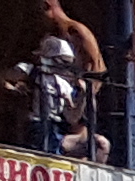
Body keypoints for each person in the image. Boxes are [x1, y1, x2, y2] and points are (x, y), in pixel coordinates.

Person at [18, 2, 104, 164]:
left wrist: (84, 95)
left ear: (46, 7)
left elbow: (96, 65)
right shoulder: (54, 36)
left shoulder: (75, 31)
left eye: (39, 14)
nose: (39, 20)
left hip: (78, 99)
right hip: (62, 99)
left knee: (81, 146)